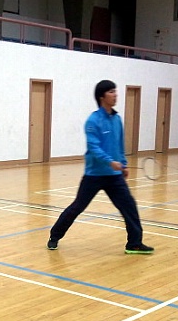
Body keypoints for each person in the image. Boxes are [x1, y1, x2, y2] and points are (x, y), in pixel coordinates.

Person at [47, 80, 154, 254]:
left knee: (129, 206)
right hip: (94, 175)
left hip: (114, 176)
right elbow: (93, 147)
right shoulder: (93, 121)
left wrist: (123, 164)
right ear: (101, 96)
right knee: (77, 207)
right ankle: (54, 236)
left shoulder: (117, 119)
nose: (115, 95)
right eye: (111, 92)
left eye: (115, 91)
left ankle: (134, 243)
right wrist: (109, 161)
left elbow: (119, 145)